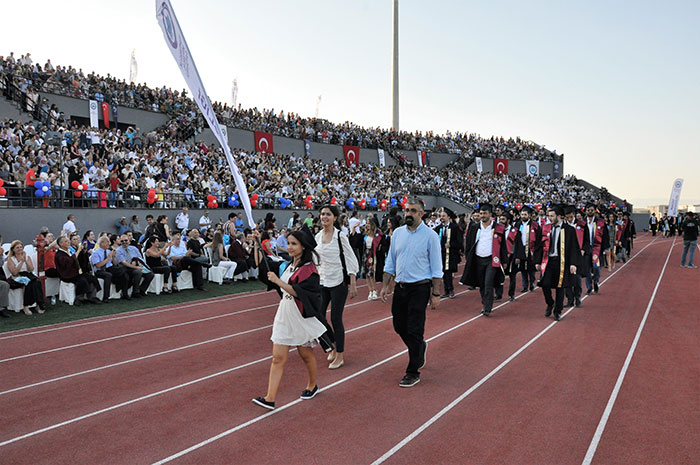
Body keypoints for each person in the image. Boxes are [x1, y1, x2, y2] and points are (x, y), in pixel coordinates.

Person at [251, 228, 328, 410]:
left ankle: (312, 385)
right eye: (289, 243)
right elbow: (261, 266)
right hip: (284, 313)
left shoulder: (310, 270)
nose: (290, 247)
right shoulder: (286, 265)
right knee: (278, 357)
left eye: (294, 244)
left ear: (303, 246)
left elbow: (302, 294)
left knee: (305, 354)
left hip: (300, 315)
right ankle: (270, 398)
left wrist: (279, 282)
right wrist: (256, 243)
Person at [380, 197, 442, 388]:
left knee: (415, 329)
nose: (408, 214)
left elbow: (436, 267)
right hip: (400, 287)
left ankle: (412, 371)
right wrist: (385, 285)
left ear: (421, 214)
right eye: (407, 210)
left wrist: (436, 294)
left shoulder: (430, 236)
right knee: (399, 326)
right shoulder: (397, 233)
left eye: (413, 211)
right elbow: (390, 261)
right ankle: (419, 348)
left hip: (420, 288)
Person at [314, 205, 359, 369]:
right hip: (322, 281)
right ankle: (331, 344)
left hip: (338, 282)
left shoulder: (340, 236)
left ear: (334, 217)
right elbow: (313, 258)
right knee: (317, 315)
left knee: (335, 318)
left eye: (328, 214)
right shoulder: (317, 236)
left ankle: (340, 355)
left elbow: (351, 259)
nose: (324, 217)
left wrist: (353, 282)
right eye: (322, 214)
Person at [460, 203, 508, 316]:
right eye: (481, 213)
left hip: (491, 260)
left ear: (490, 214)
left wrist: (504, 260)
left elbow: (503, 246)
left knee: (488, 283)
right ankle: (484, 301)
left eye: (485, 213)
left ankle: (487, 307)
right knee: (481, 284)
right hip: (478, 259)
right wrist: (468, 257)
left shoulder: (498, 228)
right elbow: (469, 243)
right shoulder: (474, 227)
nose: (482, 216)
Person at [536, 205, 581, 321]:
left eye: (552, 216)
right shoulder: (545, 228)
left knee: (560, 286)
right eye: (549, 216)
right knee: (545, 284)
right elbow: (539, 246)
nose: (549, 218)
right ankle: (550, 303)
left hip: (562, 262)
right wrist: (537, 261)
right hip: (549, 261)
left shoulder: (569, 230)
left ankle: (558, 311)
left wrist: (573, 264)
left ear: (559, 216)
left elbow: (573, 248)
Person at [54, 236, 101, 305]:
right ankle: (79, 299)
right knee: (82, 280)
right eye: (66, 241)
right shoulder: (59, 254)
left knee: (92, 278)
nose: (69, 242)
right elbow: (68, 262)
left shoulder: (69, 251)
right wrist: (78, 251)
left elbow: (79, 260)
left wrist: (83, 250)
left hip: (76, 272)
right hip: (67, 274)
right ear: (61, 244)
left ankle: (92, 297)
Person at [5, 240, 45, 314]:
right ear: (13, 249)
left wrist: (25, 260)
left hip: (28, 274)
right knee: (29, 283)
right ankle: (26, 305)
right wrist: (21, 262)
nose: (20, 249)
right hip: (17, 276)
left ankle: (39, 304)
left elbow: (31, 269)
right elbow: (14, 273)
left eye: (21, 247)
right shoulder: (10, 259)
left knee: (37, 282)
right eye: (17, 247)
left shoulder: (27, 257)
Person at [434, 207, 463, 299]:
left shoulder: (454, 228)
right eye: (440, 216)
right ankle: (446, 290)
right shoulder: (438, 228)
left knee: (448, 272)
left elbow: (459, 241)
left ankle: (450, 290)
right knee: (442, 273)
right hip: (441, 254)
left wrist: (451, 244)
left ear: (448, 217)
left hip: (451, 254)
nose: (441, 218)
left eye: (443, 216)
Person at [564, 205, 589, 307]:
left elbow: (587, 240)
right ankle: (569, 299)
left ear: (573, 215)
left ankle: (577, 297)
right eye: (567, 217)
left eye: (570, 216)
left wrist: (583, 249)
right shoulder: (563, 226)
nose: (569, 219)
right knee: (566, 278)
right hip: (566, 255)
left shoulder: (582, 225)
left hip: (578, 254)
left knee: (577, 278)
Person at [115, 234, 154, 299]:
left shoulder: (134, 248)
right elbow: (123, 263)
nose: (124, 242)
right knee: (138, 272)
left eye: (126, 240)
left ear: (129, 241)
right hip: (125, 268)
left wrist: (135, 262)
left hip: (136, 265)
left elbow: (140, 258)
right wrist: (136, 267)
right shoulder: (118, 250)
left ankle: (142, 290)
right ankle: (135, 292)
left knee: (150, 274)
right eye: (122, 241)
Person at [90, 235, 127, 302]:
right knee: (108, 275)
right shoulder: (96, 253)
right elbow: (98, 265)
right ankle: (105, 297)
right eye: (107, 242)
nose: (109, 243)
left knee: (123, 271)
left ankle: (124, 294)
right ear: (102, 243)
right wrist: (108, 258)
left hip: (109, 268)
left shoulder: (108, 251)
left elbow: (115, 264)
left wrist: (113, 257)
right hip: (100, 270)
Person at [512, 206, 541, 293]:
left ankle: (532, 282)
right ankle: (524, 286)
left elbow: (539, 239)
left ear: (529, 215)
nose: (523, 216)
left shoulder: (535, 225)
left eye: (525, 214)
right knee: (522, 269)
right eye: (522, 214)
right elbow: (515, 240)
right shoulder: (517, 224)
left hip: (531, 249)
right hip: (521, 248)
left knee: (531, 268)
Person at [364, 217, 384, 301]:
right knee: (367, 274)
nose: (367, 225)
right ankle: (370, 290)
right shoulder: (365, 234)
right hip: (366, 254)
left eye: (369, 223)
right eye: (366, 223)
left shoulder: (378, 234)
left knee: (371, 274)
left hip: (373, 255)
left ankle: (374, 290)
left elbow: (378, 244)